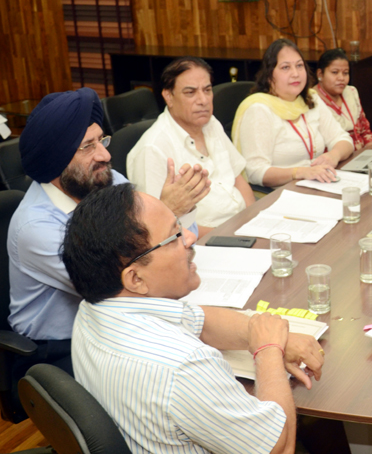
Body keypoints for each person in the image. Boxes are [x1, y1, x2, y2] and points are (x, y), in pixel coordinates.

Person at [63, 183, 325, 453]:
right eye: (174, 236)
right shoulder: (185, 367)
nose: (190, 237)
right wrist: (269, 350)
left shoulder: (94, 308)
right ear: (135, 278)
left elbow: (200, 321)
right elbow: (279, 447)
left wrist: (261, 330)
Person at [7, 87, 210, 384]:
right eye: (87, 147)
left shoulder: (106, 180)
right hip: (55, 350)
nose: (105, 154)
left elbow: (156, 249)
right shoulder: (35, 227)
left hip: (116, 323)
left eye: (101, 140)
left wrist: (182, 211)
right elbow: (120, 284)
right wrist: (168, 210)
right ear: (57, 159)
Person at [128, 57, 256, 238]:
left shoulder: (211, 123)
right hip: (202, 242)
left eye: (207, 90)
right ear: (168, 97)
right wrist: (229, 236)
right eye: (190, 93)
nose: (203, 100)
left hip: (241, 228)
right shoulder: (152, 149)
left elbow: (238, 178)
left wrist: (254, 219)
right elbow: (158, 224)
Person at [232, 39, 354, 188]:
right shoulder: (259, 109)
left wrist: (333, 156)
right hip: (278, 193)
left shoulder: (310, 98)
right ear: (270, 75)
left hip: (315, 184)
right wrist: (299, 172)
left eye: (299, 66)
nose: (295, 74)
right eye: (285, 67)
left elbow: (343, 138)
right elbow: (256, 172)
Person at [312, 48, 372, 151]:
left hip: (361, 156)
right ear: (320, 74)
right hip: (335, 159)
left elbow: (365, 131)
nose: (341, 78)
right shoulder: (312, 100)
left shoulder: (351, 91)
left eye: (345, 73)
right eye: (335, 72)